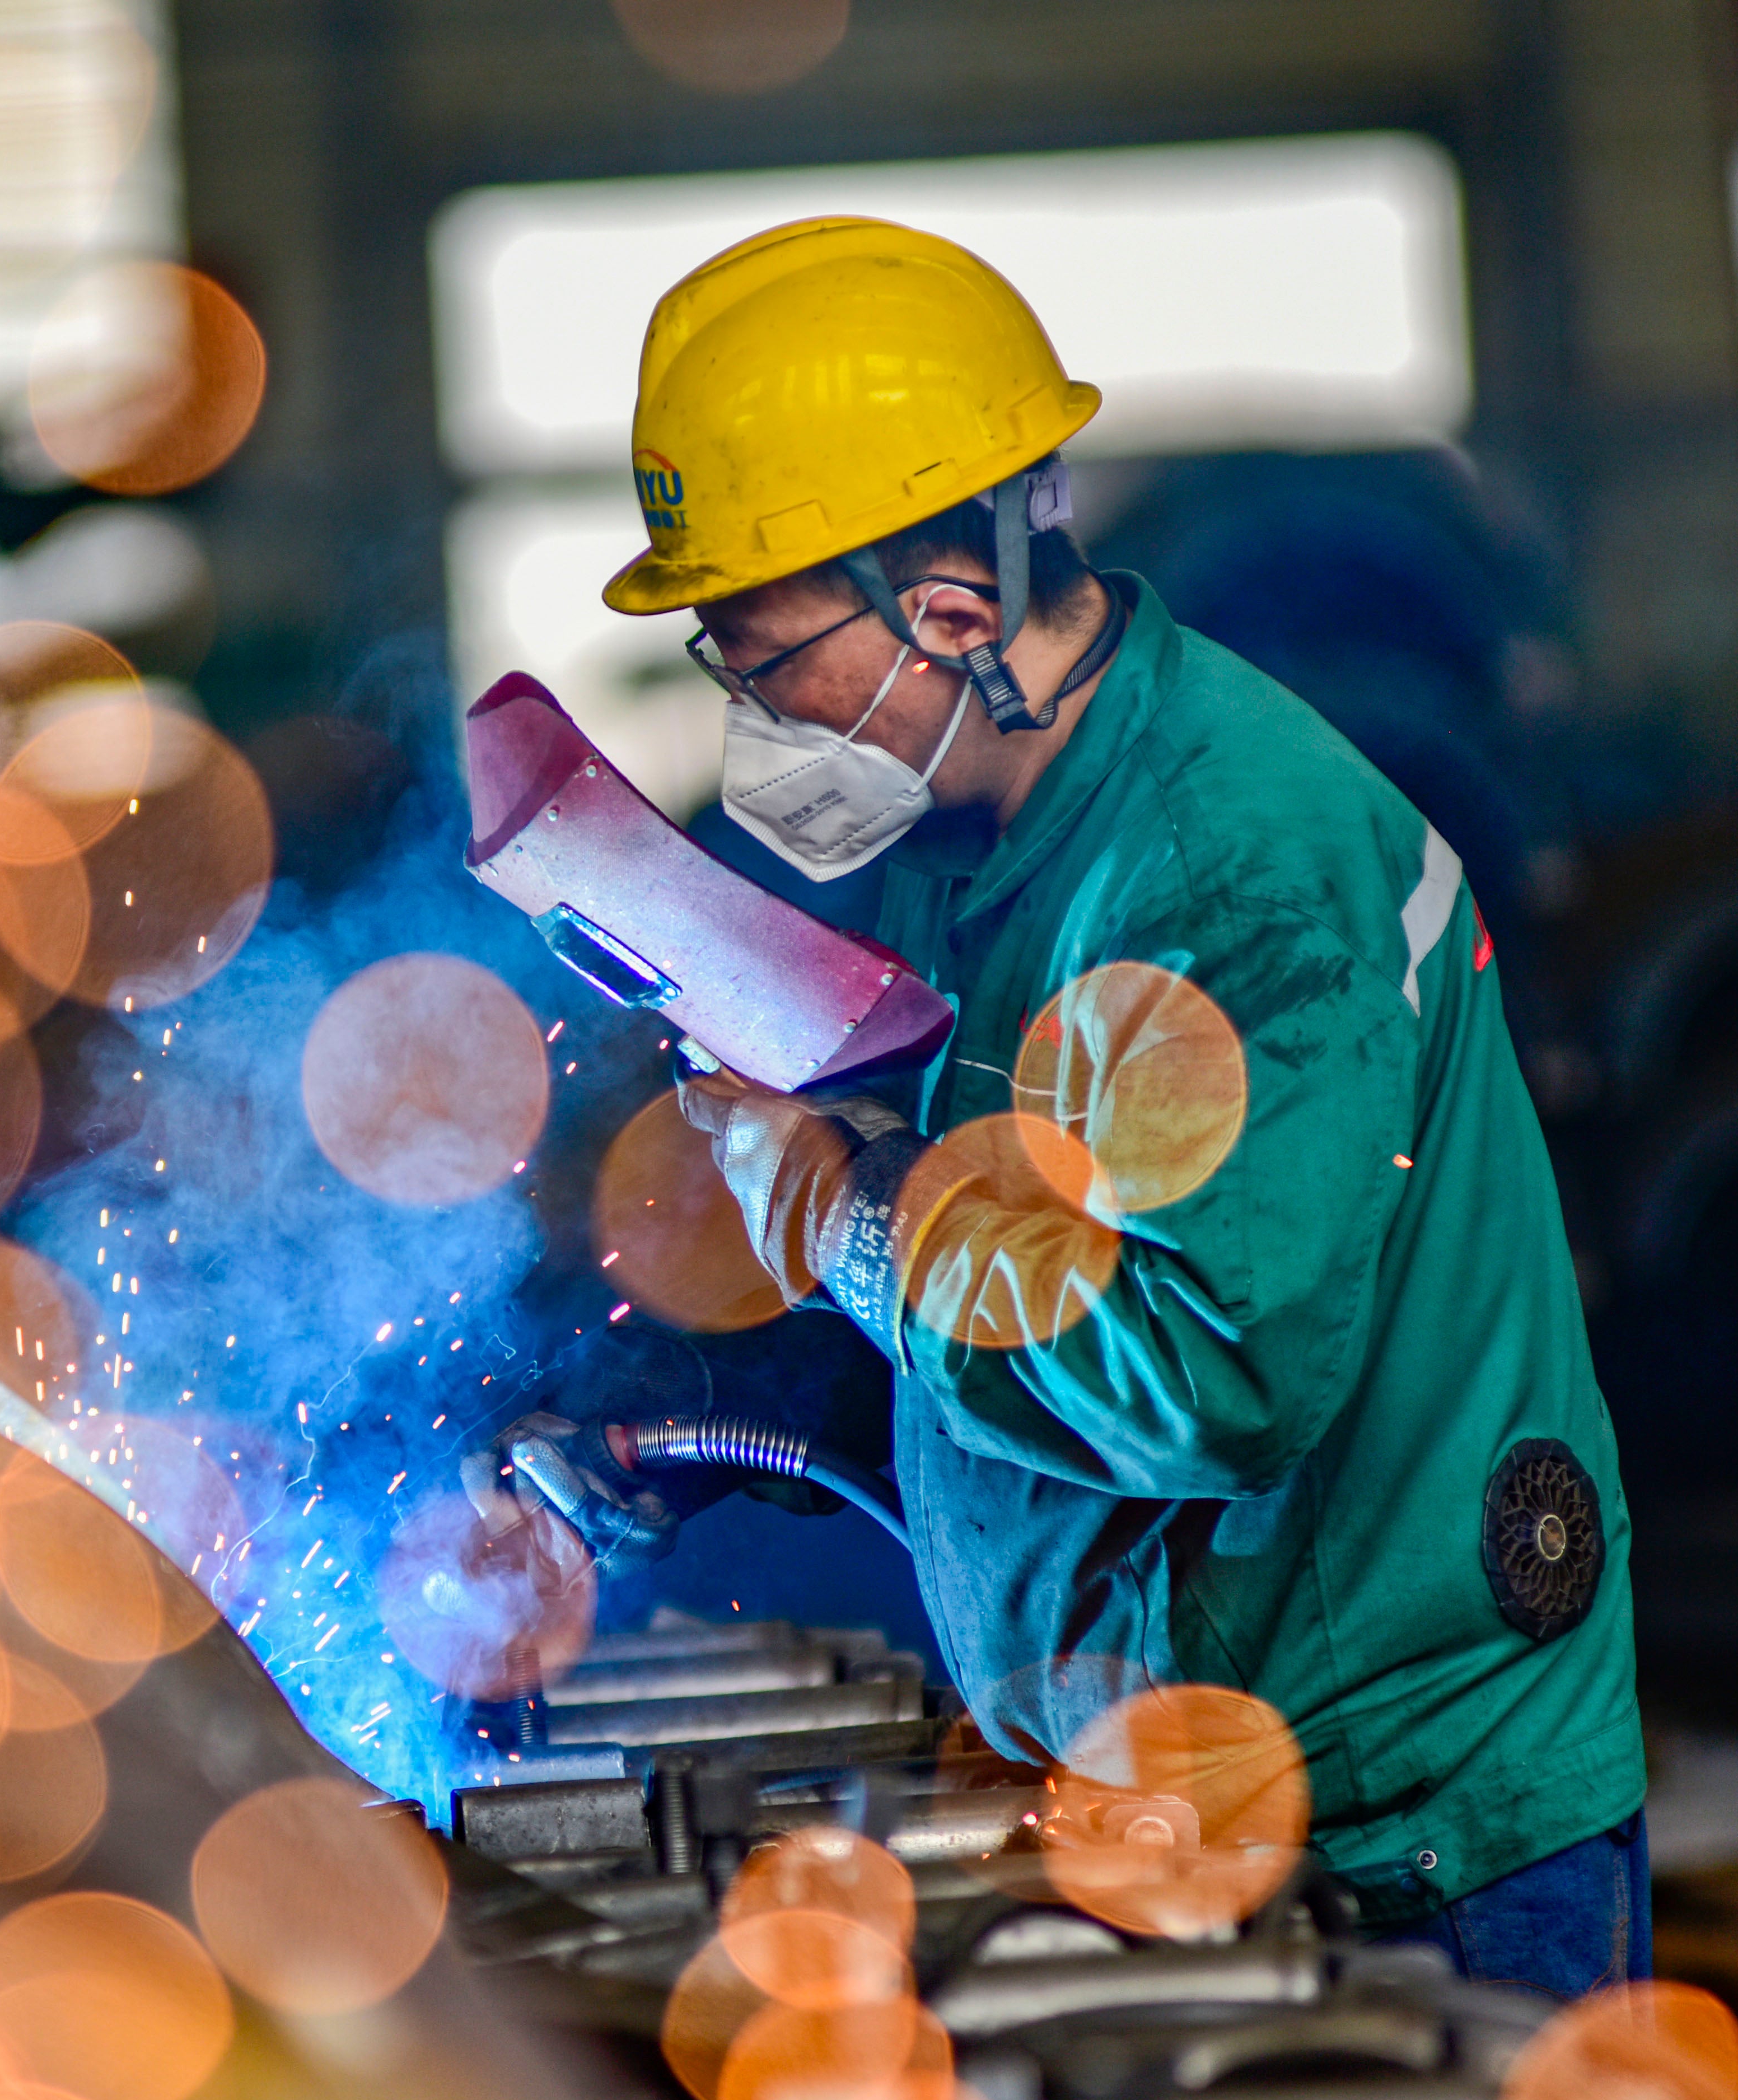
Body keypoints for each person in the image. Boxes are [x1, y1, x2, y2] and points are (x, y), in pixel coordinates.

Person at [576, 217, 1646, 1997]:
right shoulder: (973, 849)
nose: (753, 721)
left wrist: (840, 1210)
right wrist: (697, 1406)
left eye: (766, 666)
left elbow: (1205, 1373)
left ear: (952, 610)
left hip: (1408, 1833)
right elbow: (983, 1258)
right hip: (1169, 1770)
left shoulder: (1229, 864)